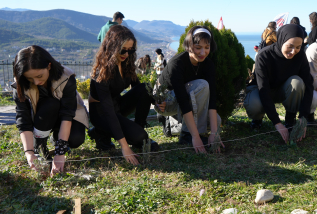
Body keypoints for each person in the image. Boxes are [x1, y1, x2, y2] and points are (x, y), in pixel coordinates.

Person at [88, 25, 160, 165]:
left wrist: (156, 102)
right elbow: (108, 111)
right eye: (122, 50)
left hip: (117, 105)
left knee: (145, 88)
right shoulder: (101, 72)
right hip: (101, 112)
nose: (126, 54)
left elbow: (139, 88)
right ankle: (100, 131)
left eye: (130, 50)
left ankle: (138, 132)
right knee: (141, 137)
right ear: (112, 47)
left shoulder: (126, 62)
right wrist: (124, 147)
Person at [12, 45, 88, 176]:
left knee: (76, 139)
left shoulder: (66, 77)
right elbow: (23, 119)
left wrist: (60, 153)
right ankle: (39, 144)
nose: (36, 82)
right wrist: (29, 152)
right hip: (40, 120)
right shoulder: (20, 84)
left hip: (64, 117)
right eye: (30, 78)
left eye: (39, 76)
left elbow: (67, 114)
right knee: (50, 104)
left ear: (49, 65)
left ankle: (56, 139)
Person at [156, 26, 223, 154]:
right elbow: (183, 100)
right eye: (198, 48)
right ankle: (186, 135)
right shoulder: (177, 63)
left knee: (217, 121)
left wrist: (214, 134)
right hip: (166, 101)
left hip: (186, 101)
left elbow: (212, 99)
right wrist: (195, 137)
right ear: (188, 45)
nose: (203, 53)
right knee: (202, 85)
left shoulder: (208, 65)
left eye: (207, 47)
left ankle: (173, 125)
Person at [243, 24, 314, 143]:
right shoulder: (263, 55)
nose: (293, 51)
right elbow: (263, 90)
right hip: (262, 90)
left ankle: (290, 119)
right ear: (281, 40)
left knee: (297, 83)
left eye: (298, 47)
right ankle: (257, 119)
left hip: (282, 89)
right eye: (290, 46)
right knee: (254, 104)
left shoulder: (300, 55)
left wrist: (303, 117)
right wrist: (276, 122)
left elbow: (308, 85)